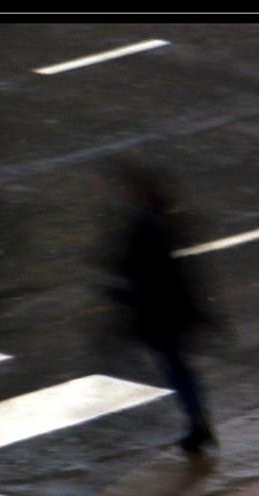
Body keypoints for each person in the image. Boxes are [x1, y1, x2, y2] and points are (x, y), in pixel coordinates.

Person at [98, 160, 215, 453]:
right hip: (165, 308)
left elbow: (147, 269)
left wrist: (121, 288)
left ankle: (197, 423)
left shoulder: (147, 224)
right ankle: (197, 422)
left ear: (141, 191)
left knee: (174, 366)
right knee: (175, 364)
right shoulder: (157, 219)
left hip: (159, 310)